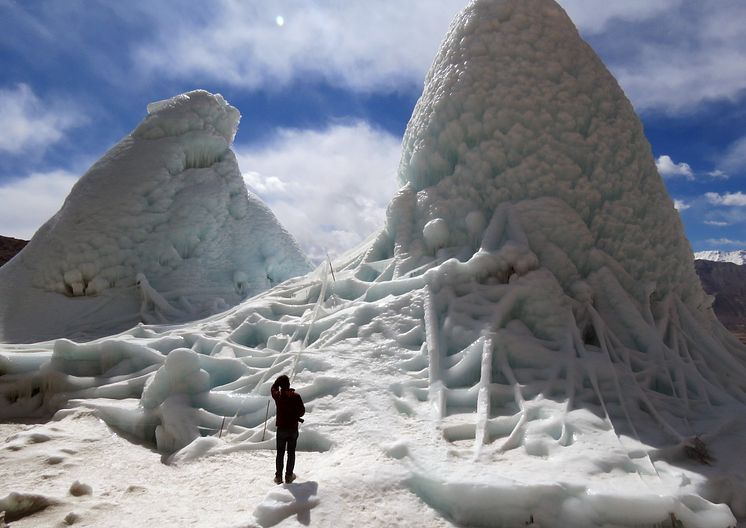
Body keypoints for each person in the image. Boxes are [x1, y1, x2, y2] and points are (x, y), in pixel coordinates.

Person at [271, 374, 305, 484]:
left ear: (281, 386)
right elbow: (302, 412)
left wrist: (277, 383)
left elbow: (273, 389)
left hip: (281, 429)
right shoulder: (296, 396)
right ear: (289, 384)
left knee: (280, 453)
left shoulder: (278, 396)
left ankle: (278, 477)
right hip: (293, 429)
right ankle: (289, 476)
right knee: (291, 453)